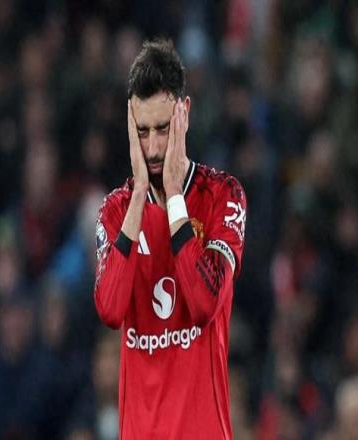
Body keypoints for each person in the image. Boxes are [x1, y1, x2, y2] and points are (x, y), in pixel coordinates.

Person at [94, 38, 247, 439]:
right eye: (142, 131)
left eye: (163, 129)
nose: (153, 147)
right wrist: (139, 196)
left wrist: (175, 196)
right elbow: (109, 310)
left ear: (185, 112)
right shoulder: (116, 211)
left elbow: (204, 303)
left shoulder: (222, 196)